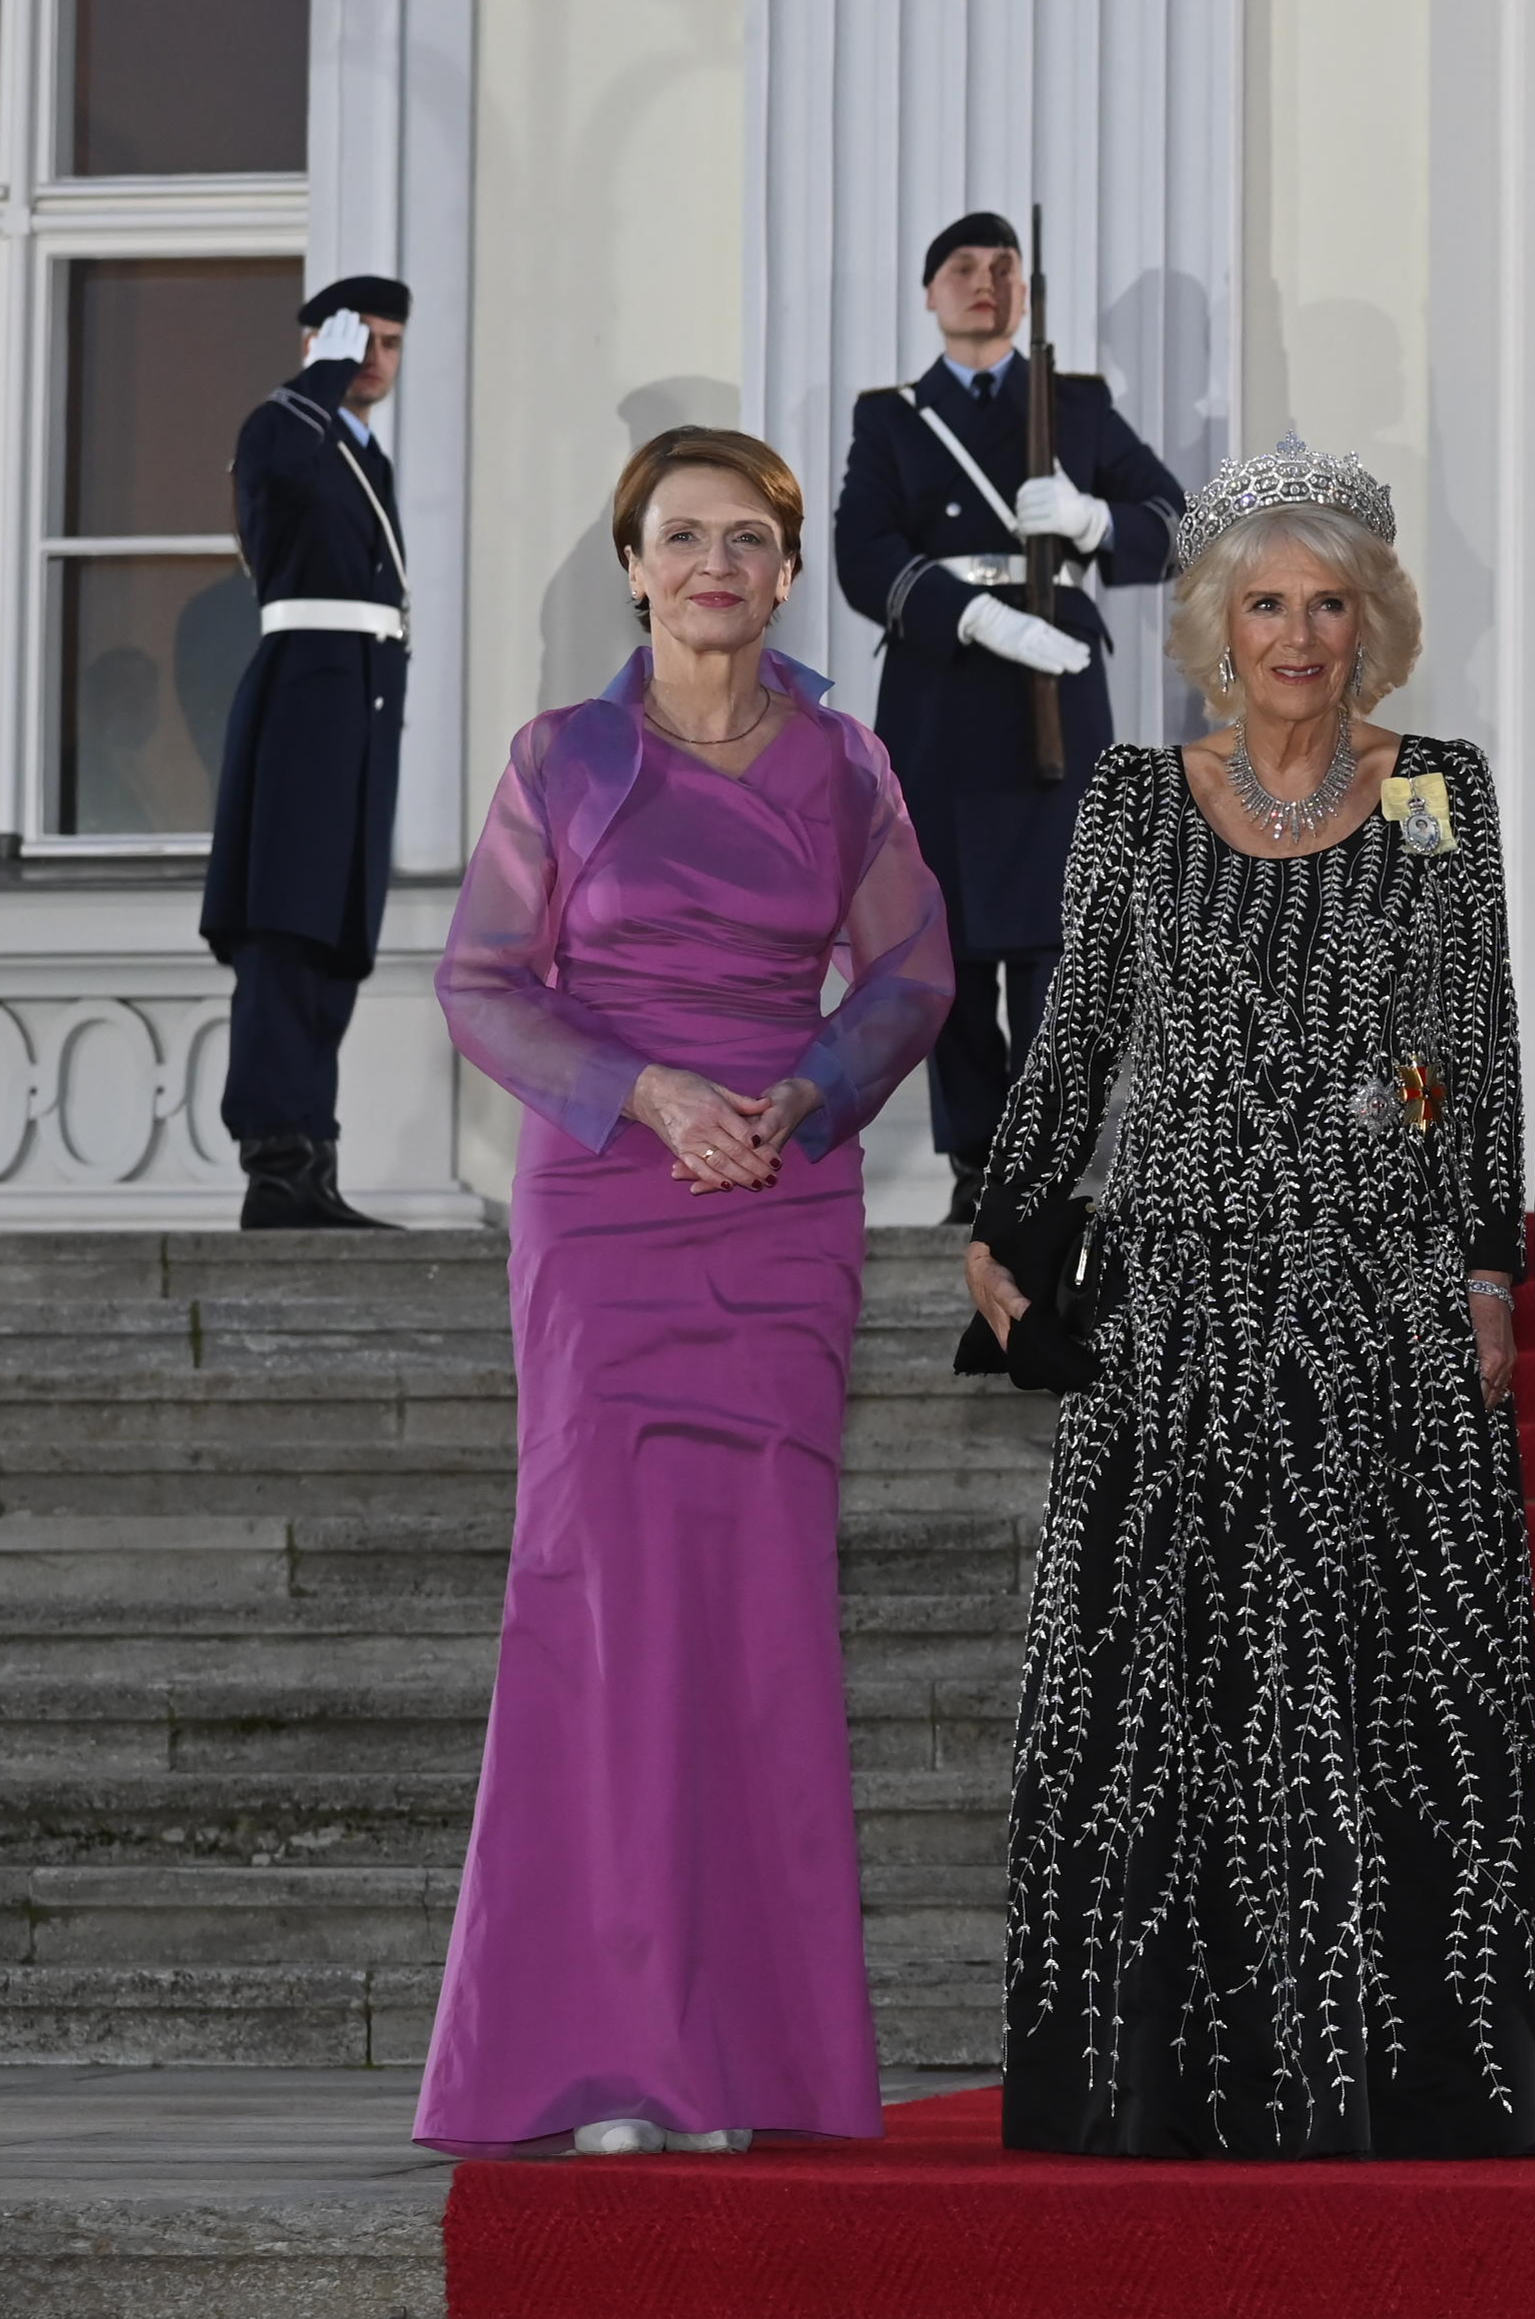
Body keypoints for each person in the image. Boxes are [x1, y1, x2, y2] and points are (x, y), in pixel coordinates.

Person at [964, 436, 1535, 2160]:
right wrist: (1002, 1213)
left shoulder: (1440, 788)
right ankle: (1165, 2078)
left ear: (1374, 625)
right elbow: (1074, 1034)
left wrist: (1476, 1244)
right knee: (1173, 1682)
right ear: (1218, 625)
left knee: (1386, 1677)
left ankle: (1400, 2079)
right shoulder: (1139, 800)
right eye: (1270, 604)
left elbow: (1465, 1041)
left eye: (1331, 605)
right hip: (1187, 1295)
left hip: (1379, 1291)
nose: (1300, 635)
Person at [415, 429, 953, 2158]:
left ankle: (747, 2058)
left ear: (788, 573)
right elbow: (484, 981)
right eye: (681, 536)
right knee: (598, 1612)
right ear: (634, 564)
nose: (715, 563)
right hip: (609, 1201)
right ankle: (604, 2056)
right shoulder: (560, 760)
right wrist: (647, 1094)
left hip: (780, 1205)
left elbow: (916, 969)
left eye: (746, 538)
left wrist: (803, 1091)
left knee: (759, 1618)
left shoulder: (847, 764)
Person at [835, 211, 1187, 1224]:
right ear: (930, 293)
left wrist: (1090, 521)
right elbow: (865, 553)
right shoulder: (894, 417)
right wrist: (976, 615)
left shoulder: (1072, 406)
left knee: (1050, 939)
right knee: (943, 939)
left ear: (1024, 292)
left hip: (1056, 693)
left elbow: (1175, 524)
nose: (985, 284)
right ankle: (974, 1165)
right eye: (962, 268)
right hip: (946, 693)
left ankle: (1041, 1163)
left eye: (1004, 269)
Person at [200, 275, 414, 1229]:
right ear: (317, 344)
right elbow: (279, 478)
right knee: (284, 933)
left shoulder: (367, 455)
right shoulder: (283, 428)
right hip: (301, 706)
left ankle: (312, 1163)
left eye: (389, 342)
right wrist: (320, 376)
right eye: (356, 337)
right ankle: (276, 1164)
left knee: (332, 939)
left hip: (358, 715)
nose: (374, 358)